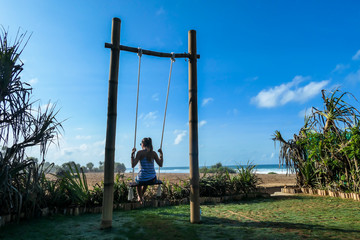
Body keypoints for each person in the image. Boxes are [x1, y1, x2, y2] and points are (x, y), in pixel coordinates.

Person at [131, 137, 163, 203]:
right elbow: (160, 164)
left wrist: (132, 154)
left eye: (141, 144)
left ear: (143, 144)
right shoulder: (154, 153)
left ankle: (140, 197)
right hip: (152, 178)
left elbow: (133, 165)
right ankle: (141, 197)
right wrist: (161, 154)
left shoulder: (140, 153)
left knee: (138, 181)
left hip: (142, 178)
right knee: (146, 181)